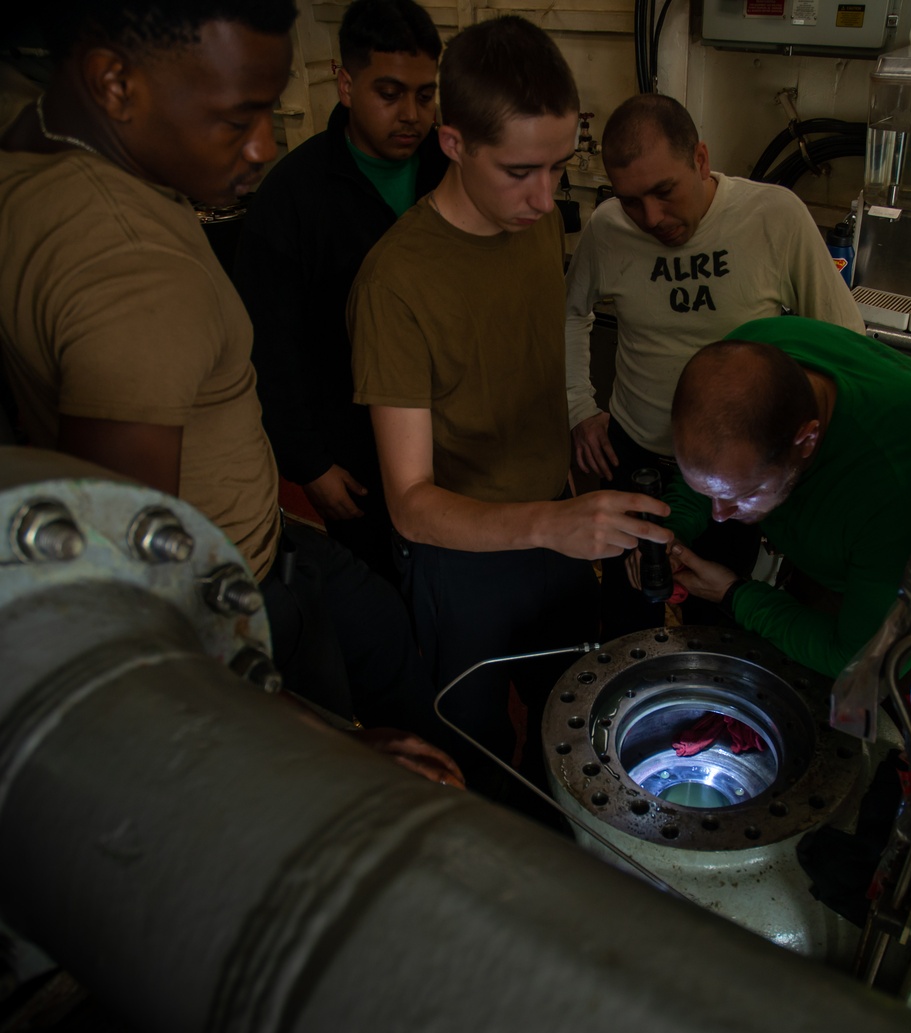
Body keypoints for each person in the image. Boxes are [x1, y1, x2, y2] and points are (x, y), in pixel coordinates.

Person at [0, 0, 462, 788]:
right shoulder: (137, 275)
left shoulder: (39, 141)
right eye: (237, 117)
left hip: (269, 533)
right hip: (227, 595)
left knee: (383, 633)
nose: (263, 144)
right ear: (115, 82)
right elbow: (124, 593)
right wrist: (313, 738)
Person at [348, 16, 671, 799]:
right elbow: (411, 504)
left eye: (560, 167)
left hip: (555, 531)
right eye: (522, 170)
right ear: (453, 143)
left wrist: (570, 501)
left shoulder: (533, 223)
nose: (544, 197)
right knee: (475, 757)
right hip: (465, 562)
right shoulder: (395, 284)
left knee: (578, 731)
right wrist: (550, 523)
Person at [564, 94, 865, 637]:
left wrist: (796, 468)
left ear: (701, 160)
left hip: (734, 472)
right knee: (628, 611)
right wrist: (580, 407)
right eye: (632, 201)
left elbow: (843, 341)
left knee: (717, 610)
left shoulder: (773, 216)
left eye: (664, 191)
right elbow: (569, 314)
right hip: (637, 454)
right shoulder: (607, 229)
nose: (652, 219)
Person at [652, 316, 911, 679]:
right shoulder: (751, 356)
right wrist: (673, 528)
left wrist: (733, 594)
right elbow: (715, 469)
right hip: (860, 539)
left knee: (905, 704)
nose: (719, 515)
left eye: (744, 494)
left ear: (807, 441)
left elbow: (866, 663)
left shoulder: (901, 491)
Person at [233, 0, 447, 586]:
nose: (411, 114)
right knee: (380, 594)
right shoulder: (291, 199)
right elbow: (271, 345)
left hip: (449, 439)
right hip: (352, 458)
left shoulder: (452, 172)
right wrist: (310, 463)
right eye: (390, 92)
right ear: (345, 82)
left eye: (425, 95)